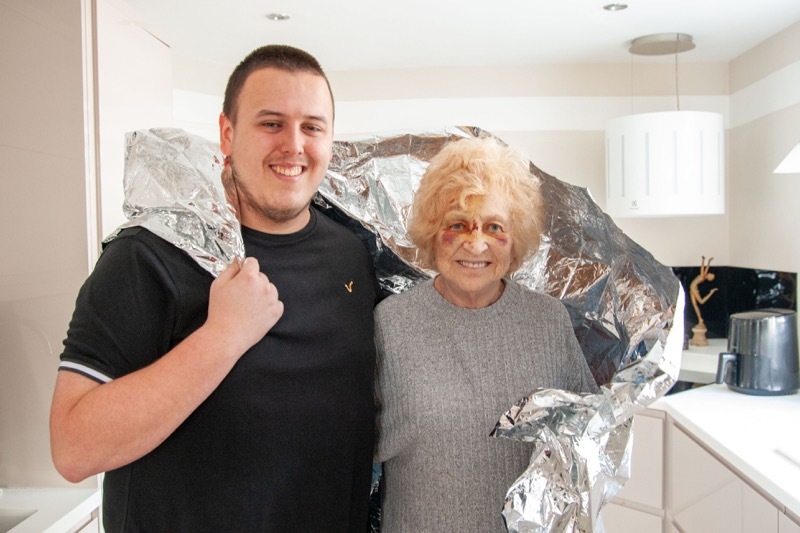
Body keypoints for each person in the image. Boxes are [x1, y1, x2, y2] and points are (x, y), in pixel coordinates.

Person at [49, 45, 378, 532]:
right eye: (271, 123)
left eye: (312, 126)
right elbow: (73, 448)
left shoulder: (355, 254)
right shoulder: (149, 256)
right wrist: (222, 337)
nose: (294, 145)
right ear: (227, 133)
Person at [373, 137, 600, 532]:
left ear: (516, 238)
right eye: (457, 224)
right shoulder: (391, 324)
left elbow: (583, 446)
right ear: (432, 230)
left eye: (495, 227)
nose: (475, 244)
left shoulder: (548, 323)